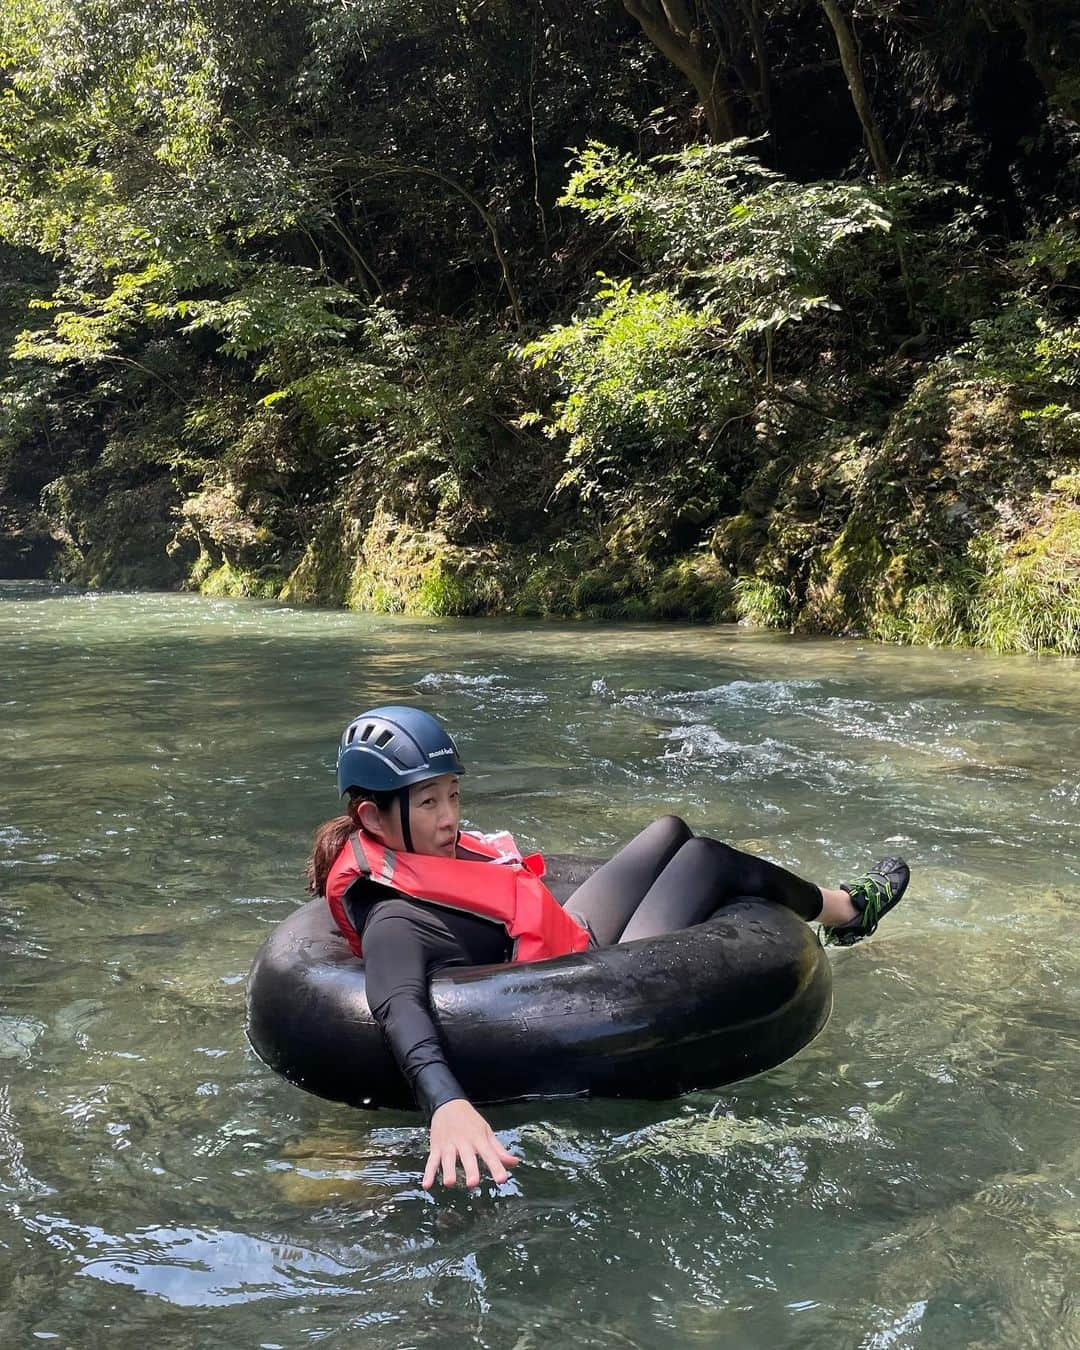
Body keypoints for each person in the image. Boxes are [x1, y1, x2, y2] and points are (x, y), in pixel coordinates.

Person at [306, 705, 910, 1191]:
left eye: (454, 795)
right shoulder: (394, 915)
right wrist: (445, 1105)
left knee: (670, 830)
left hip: (570, 937)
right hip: (578, 983)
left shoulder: (420, 853)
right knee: (706, 861)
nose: (450, 818)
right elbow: (396, 1004)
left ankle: (843, 910)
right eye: (430, 802)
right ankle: (848, 910)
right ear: (373, 818)